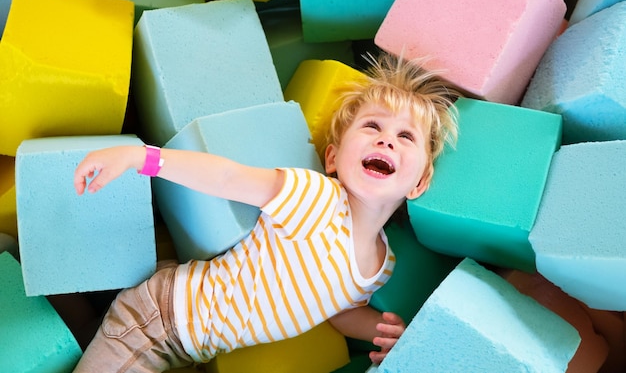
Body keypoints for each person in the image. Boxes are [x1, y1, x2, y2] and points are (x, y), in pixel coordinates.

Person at [71, 51, 461, 372]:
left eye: (405, 136)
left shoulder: (382, 263)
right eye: (372, 125)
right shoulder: (317, 199)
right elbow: (226, 177)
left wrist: (383, 331)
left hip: (190, 349)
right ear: (332, 158)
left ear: (419, 183)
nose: (385, 139)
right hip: (158, 320)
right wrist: (141, 157)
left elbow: (336, 311)